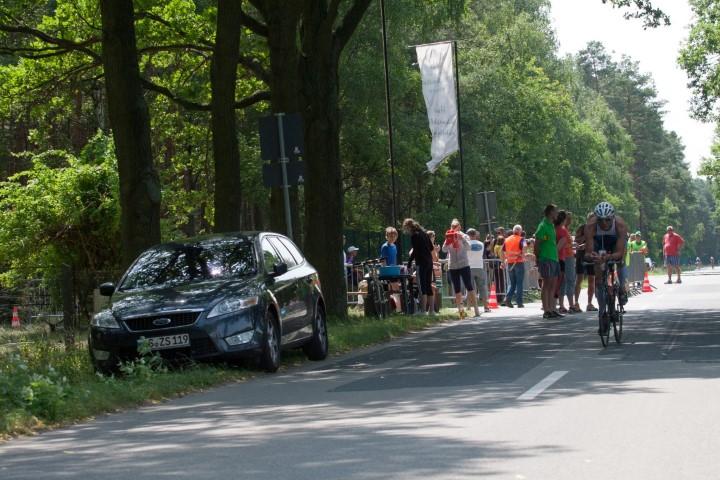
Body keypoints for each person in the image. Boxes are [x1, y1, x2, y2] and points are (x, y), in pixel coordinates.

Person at [584, 201, 629, 336]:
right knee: (598, 278)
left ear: (613, 217)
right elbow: (588, 251)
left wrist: (609, 257)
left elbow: (619, 252)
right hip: (599, 242)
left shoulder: (620, 225)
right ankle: (602, 312)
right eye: (600, 220)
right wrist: (592, 256)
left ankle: (622, 288)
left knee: (620, 261)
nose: (604, 223)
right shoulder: (590, 225)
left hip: (615, 242)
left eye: (608, 220)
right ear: (596, 219)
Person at [443, 220, 480, 318]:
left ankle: (476, 309)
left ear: (459, 227)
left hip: (464, 264)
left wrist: (462, 238)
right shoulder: (449, 235)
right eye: (452, 226)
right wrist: (448, 241)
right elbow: (444, 249)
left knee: (469, 286)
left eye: (456, 226)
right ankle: (461, 312)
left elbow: (469, 247)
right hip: (453, 265)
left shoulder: (464, 236)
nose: (454, 228)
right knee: (457, 289)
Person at [534, 204, 562, 318]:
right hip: (546, 258)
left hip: (554, 258)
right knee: (547, 283)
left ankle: (552, 308)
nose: (557, 213)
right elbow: (537, 243)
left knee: (553, 284)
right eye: (556, 211)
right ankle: (546, 310)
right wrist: (538, 257)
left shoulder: (551, 225)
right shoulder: (543, 226)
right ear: (550, 212)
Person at [404, 218, 435, 315]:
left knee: (422, 287)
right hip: (429, 262)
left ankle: (423, 311)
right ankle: (432, 311)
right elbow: (431, 248)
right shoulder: (424, 234)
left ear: (408, 227)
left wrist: (409, 262)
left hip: (421, 263)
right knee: (428, 285)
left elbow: (415, 250)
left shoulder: (414, 236)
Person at [573, 212, 596, 313]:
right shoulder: (582, 228)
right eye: (591, 219)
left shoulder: (597, 229)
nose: (593, 221)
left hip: (592, 256)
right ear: (588, 219)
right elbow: (577, 240)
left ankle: (589, 303)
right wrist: (586, 237)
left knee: (592, 280)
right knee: (579, 279)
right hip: (581, 255)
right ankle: (576, 302)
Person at [467, 228, 491, 313]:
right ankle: (486, 307)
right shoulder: (481, 244)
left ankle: (469, 307)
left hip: (469, 267)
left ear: (468, 235)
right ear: (475, 235)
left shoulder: (466, 244)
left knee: (470, 288)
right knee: (482, 288)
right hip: (479, 267)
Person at [502, 224, 526, 308]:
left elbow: (502, 251)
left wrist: (503, 262)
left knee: (512, 283)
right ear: (520, 231)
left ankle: (508, 299)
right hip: (519, 262)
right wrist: (523, 256)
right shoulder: (522, 239)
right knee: (519, 283)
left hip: (510, 263)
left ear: (513, 231)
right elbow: (524, 249)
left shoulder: (507, 239)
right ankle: (519, 302)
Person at [559, 212, 576, 314]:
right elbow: (562, 244)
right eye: (568, 219)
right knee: (570, 280)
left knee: (564, 280)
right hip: (567, 257)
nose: (570, 220)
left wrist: (574, 246)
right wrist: (571, 246)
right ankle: (571, 305)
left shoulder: (564, 229)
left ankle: (562, 305)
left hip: (566, 256)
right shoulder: (563, 230)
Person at [554, 210, 570, 313]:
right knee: (559, 282)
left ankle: (551, 305)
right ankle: (558, 305)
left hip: (554, 258)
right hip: (559, 258)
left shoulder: (553, 229)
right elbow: (558, 247)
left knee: (552, 283)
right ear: (564, 220)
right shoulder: (562, 231)